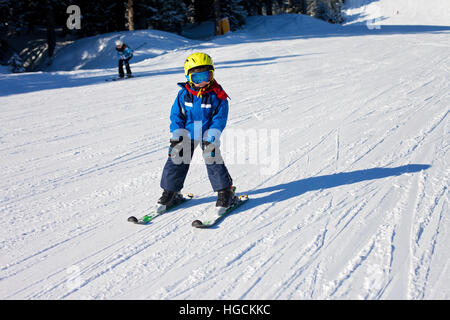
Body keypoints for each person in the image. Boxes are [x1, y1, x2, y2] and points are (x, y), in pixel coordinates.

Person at [157, 52, 235, 215]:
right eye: (197, 79)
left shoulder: (218, 95)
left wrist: (212, 136)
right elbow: (176, 115)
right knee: (176, 159)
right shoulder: (183, 94)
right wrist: (177, 134)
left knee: (212, 159)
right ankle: (170, 193)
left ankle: (225, 193)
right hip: (187, 132)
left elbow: (220, 118)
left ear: (212, 74)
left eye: (206, 76)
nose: (202, 82)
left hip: (207, 133)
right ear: (188, 77)